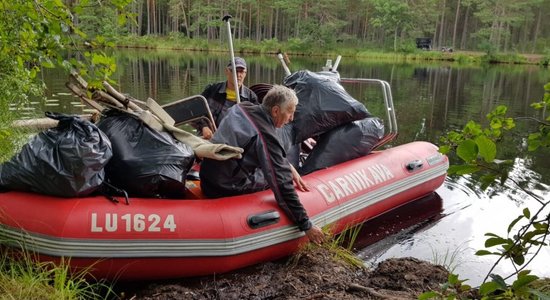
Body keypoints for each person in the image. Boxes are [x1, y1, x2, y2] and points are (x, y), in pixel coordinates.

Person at [199, 85, 324, 245]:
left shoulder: (242, 108)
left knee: (280, 168)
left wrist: (285, 164)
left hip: (207, 175)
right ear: (276, 111)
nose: (291, 118)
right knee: (280, 179)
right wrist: (306, 225)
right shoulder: (265, 135)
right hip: (223, 187)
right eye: (290, 112)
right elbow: (282, 185)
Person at [196, 57, 259, 139]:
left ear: (245, 74)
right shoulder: (212, 90)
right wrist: (204, 127)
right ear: (227, 71)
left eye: (241, 72)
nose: (238, 75)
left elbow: (256, 124)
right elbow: (195, 111)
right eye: (235, 71)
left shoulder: (251, 98)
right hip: (209, 138)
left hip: (236, 141)